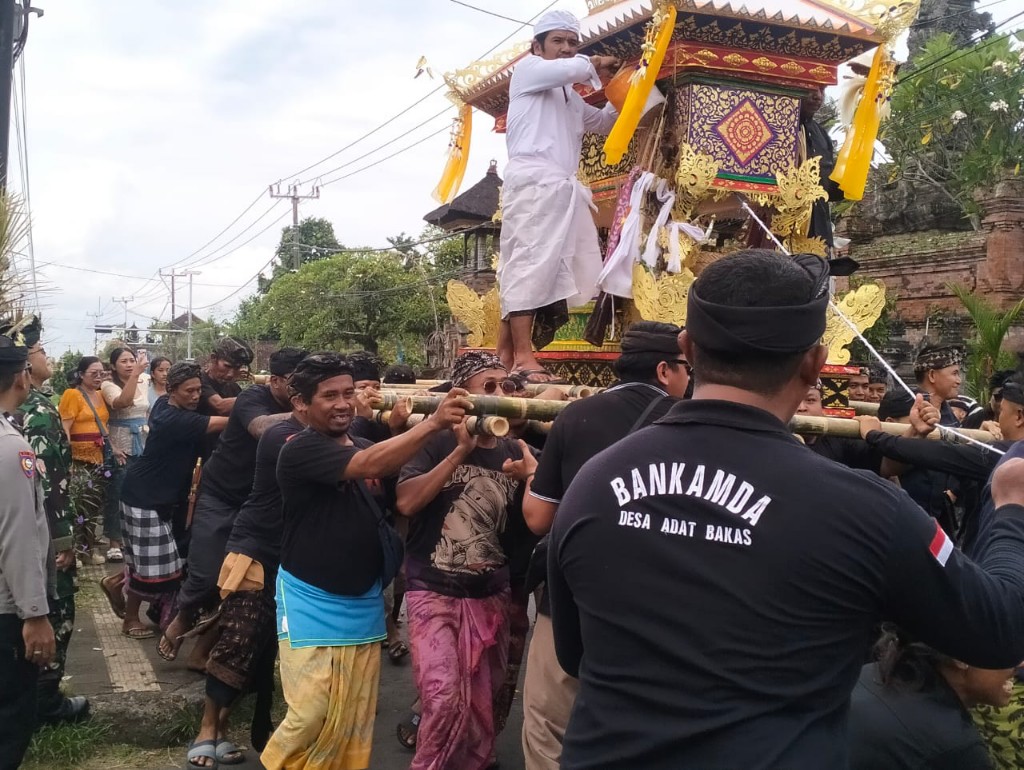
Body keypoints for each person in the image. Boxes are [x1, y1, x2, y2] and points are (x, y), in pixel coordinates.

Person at [548, 249, 1024, 769]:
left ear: (688, 347)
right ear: (815, 363)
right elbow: (999, 629)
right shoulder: (862, 510)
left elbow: (575, 655)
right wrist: (1011, 506)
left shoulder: (596, 482)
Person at [260, 353, 470, 770]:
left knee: (353, 718)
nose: (343, 403)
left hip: (362, 601)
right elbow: (373, 465)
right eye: (329, 396)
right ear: (300, 404)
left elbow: (403, 497)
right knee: (310, 714)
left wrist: (458, 452)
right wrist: (433, 423)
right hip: (309, 599)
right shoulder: (298, 449)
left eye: (348, 393)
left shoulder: (366, 444)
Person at [520, 321, 688, 770]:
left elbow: (538, 519)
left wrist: (530, 475)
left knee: (549, 727)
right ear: (665, 371)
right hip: (664, 615)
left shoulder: (576, 417)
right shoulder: (694, 425)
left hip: (572, 600)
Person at [395, 351, 536, 770]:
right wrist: (458, 453)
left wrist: (531, 478)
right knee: (441, 697)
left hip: (490, 595)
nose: (499, 396)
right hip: (432, 591)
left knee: (480, 704)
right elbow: (406, 502)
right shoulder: (433, 439)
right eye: (487, 387)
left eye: (506, 387)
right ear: (463, 395)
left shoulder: (517, 449)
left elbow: (539, 523)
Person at [188, 361, 312, 769]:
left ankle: (227, 725)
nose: (342, 405)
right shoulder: (272, 423)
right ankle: (208, 728)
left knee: (263, 646)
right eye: (329, 396)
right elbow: (263, 428)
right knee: (240, 635)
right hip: (254, 546)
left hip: (294, 554)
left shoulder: (334, 433)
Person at [161, 348, 308, 663]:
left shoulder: (308, 410)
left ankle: (204, 653)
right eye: (297, 385)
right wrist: (309, 410)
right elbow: (261, 428)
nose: (301, 392)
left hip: (260, 506)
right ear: (275, 381)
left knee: (243, 583)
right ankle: (183, 616)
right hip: (220, 495)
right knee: (206, 571)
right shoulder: (251, 399)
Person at [496, 9, 619, 380]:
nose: (567, 49)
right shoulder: (528, 70)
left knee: (543, 268)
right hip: (534, 183)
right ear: (538, 46)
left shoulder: (570, 97)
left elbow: (606, 123)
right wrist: (596, 62)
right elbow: (575, 69)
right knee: (529, 266)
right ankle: (523, 358)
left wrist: (630, 86)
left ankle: (505, 355)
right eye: (558, 41)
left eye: (572, 42)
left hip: (560, 187)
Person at [8, 318, 89, 725]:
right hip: (36, 532)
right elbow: (48, 481)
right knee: (56, 611)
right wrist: (63, 542)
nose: (46, 357)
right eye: (40, 351)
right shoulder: (37, 408)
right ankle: (44, 703)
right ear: (24, 363)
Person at [118, 363, 228, 642]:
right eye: (189, 391)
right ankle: (130, 617)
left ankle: (121, 589)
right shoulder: (172, 418)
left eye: (199, 390)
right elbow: (223, 422)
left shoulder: (174, 407)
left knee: (152, 561)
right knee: (151, 568)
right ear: (171, 391)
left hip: (160, 497)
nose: (195, 396)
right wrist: (254, 406)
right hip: (143, 497)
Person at [0, 332, 56, 769]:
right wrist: (35, 615)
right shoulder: (10, 448)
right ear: (21, 377)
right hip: (8, 613)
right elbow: (18, 536)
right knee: (10, 719)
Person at [848, 626, 1014, 769]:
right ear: (962, 658)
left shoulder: (873, 672)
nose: (1020, 664)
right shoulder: (955, 749)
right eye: (1008, 649)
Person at [58, 356, 114, 565]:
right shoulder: (72, 394)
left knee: (92, 506)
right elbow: (65, 428)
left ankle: (88, 551)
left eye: (102, 373)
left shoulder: (100, 396)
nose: (99, 377)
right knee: (77, 504)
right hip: (78, 459)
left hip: (98, 459)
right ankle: (73, 551)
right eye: (94, 373)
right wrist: (67, 461)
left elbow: (104, 428)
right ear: (81, 375)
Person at [100, 347, 151, 564]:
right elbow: (123, 402)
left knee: (141, 493)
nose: (129, 365)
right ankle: (114, 541)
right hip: (120, 444)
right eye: (124, 361)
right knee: (117, 492)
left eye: (132, 360)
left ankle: (135, 538)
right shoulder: (108, 385)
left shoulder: (145, 380)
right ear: (113, 366)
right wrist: (136, 375)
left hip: (144, 441)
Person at [796, 383, 880, 471]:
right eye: (793, 400)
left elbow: (885, 467)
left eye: (810, 400)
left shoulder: (841, 437)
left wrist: (875, 436)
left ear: (822, 406)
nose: (801, 408)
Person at [800, 86, 844, 252]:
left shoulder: (822, 134)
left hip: (819, 229)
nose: (818, 96)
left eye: (822, 90)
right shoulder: (778, 126)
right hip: (783, 225)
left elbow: (829, 190)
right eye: (810, 88)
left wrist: (852, 173)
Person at [198, 337, 253, 418]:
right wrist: (256, 395)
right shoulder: (198, 381)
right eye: (227, 366)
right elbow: (220, 406)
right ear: (213, 358)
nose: (231, 374)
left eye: (237, 368)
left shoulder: (233, 387)